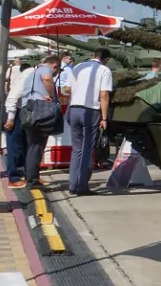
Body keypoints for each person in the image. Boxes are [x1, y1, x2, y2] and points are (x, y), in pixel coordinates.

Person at [61, 48, 113, 195]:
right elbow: (104, 95)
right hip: (91, 111)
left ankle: (72, 185)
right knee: (88, 149)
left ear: (93, 55)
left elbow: (67, 89)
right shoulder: (104, 70)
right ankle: (82, 186)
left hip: (74, 109)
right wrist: (104, 117)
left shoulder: (78, 67)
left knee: (76, 149)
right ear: (106, 59)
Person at [19, 52, 61, 185]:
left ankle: (30, 176)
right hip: (39, 111)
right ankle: (33, 180)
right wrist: (52, 96)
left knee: (32, 146)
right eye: (56, 71)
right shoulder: (45, 69)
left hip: (27, 110)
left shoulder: (31, 74)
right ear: (54, 66)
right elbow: (47, 79)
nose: (55, 74)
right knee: (37, 146)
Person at [1, 58, 32, 186]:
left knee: (25, 145)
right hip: (16, 112)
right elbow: (12, 98)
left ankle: (27, 174)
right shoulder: (27, 76)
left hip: (23, 111)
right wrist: (11, 118)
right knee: (14, 145)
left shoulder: (29, 75)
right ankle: (13, 177)